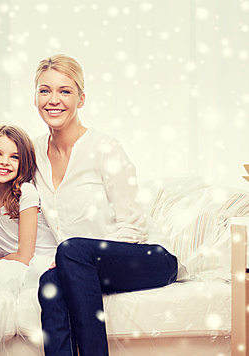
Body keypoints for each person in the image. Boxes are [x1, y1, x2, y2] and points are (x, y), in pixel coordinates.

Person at [32, 54, 187, 356]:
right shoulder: (34, 152)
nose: (54, 99)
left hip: (148, 256)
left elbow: (134, 226)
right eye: (45, 90)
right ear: (35, 97)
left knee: (71, 250)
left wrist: (77, 259)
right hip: (81, 261)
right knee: (50, 283)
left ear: (81, 98)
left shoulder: (105, 148)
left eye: (65, 91)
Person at [0, 125, 57, 291]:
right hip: (11, 262)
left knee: (35, 272)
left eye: (14, 157)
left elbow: (25, 255)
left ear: (24, 162)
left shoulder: (26, 192)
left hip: (40, 259)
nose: (4, 162)